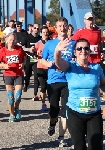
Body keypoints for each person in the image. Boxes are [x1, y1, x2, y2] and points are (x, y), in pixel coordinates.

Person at [54, 38, 104, 150]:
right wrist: (57, 51)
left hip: (94, 113)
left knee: (96, 146)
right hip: (75, 112)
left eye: (86, 48)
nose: (83, 50)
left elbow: (103, 85)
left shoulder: (96, 68)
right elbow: (58, 62)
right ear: (75, 52)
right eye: (79, 48)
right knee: (79, 146)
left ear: (89, 51)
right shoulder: (70, 66)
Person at [41, 17, 75, 147]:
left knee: (65, 109)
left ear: (67, 27)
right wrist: (48, 63)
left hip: (68, 80)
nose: (62, 28)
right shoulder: (50, 44)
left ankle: (61, 137)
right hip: (53, 80)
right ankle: (52, 123)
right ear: (55, 28)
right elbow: (41, 61)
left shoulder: (73, 43)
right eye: (60, 26)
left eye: (64, 25)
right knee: (54, 109)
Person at [0, 33, 26, 122]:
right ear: (6, 40)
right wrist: (3, 65)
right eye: (10, 40)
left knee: (18, 95)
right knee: (10, 97)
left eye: (13, 40)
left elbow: (24, 58)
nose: (12, 42)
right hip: (8, 74)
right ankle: (11, 115)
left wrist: (22, 64)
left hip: (18, 74)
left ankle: (16, 108)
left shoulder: (19, 49)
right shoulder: (2, 50)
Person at [34, 26, 50, 110]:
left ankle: (52, 101)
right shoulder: (38, 43)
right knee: (43, 86)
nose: (45, 34)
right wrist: (33, 51)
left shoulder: (51, 43)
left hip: (50, 67)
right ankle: (43, 103)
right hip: (40, 67)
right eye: (44, 32)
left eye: (46, 32)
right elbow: (33, 51)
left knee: (50, 86)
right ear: (41, 33)